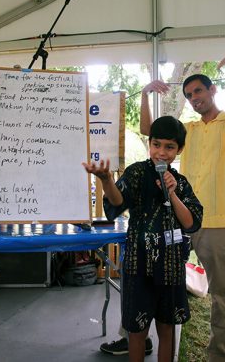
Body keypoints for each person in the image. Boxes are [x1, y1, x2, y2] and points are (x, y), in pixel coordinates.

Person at [139, 52, 225, 361]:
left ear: (212, 91)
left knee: (221, 295)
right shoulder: (188, 132)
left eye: (198, 91)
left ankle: (219, 356)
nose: (193, 98)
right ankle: (136, 338)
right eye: (188, 94)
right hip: (180, 222)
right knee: (151, 280)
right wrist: (144, 94)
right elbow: (149, 130)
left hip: (219, 223)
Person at [84, 116, 203, 362]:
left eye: (169, 147)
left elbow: (191, 222)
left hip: (170, 267)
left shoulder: (180, 182)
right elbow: (118, 202)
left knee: (167, 327)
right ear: (149, 144)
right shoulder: (137, 172)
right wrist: (106, 180)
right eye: (156, 144)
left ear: (179, 150)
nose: (161, 152)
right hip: (139, 266)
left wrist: (172, 193)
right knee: (136, 330)